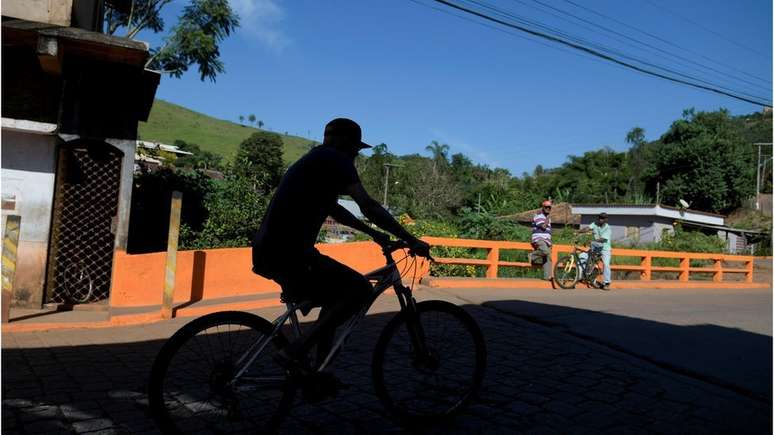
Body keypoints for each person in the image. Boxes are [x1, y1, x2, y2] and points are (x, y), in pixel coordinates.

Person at [251, 117, 430, 379]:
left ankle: (322, 371)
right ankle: (296, 350)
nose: (356, 155)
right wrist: (410, 238)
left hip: (273, 250)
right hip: (290, 253)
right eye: (356, 149)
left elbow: (335, 209)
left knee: (337, 297)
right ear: (345, 143)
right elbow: (367, 206)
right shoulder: (336, 160)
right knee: (358, 289)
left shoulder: (315, 161)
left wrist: (375, 235)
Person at [578, 212, 612, 289]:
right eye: (600, 217)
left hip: (604, 249)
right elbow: (587, 228)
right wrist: (578, 232)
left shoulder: (608, 228)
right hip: (595, 247)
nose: (601, 219)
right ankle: (580, 276)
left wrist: (592, 242)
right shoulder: (595, 224)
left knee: (606, 264)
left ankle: (607, 282)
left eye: (603, 218)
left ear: (606, 219)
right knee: (582, 256)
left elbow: (603, 239)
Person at [531, 200, 553, 283]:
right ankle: (532, 256)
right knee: (546, 252)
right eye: (546, 207)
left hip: (547, 240)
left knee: (548, 259)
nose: (548, 208)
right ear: (543, 208)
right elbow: (543, 227)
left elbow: (548, 231)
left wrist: (550, 241)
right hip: (539, 239)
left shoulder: (548, 218)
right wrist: (547, 218)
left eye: (549, 207)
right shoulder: (539, 216)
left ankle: (547, 276)